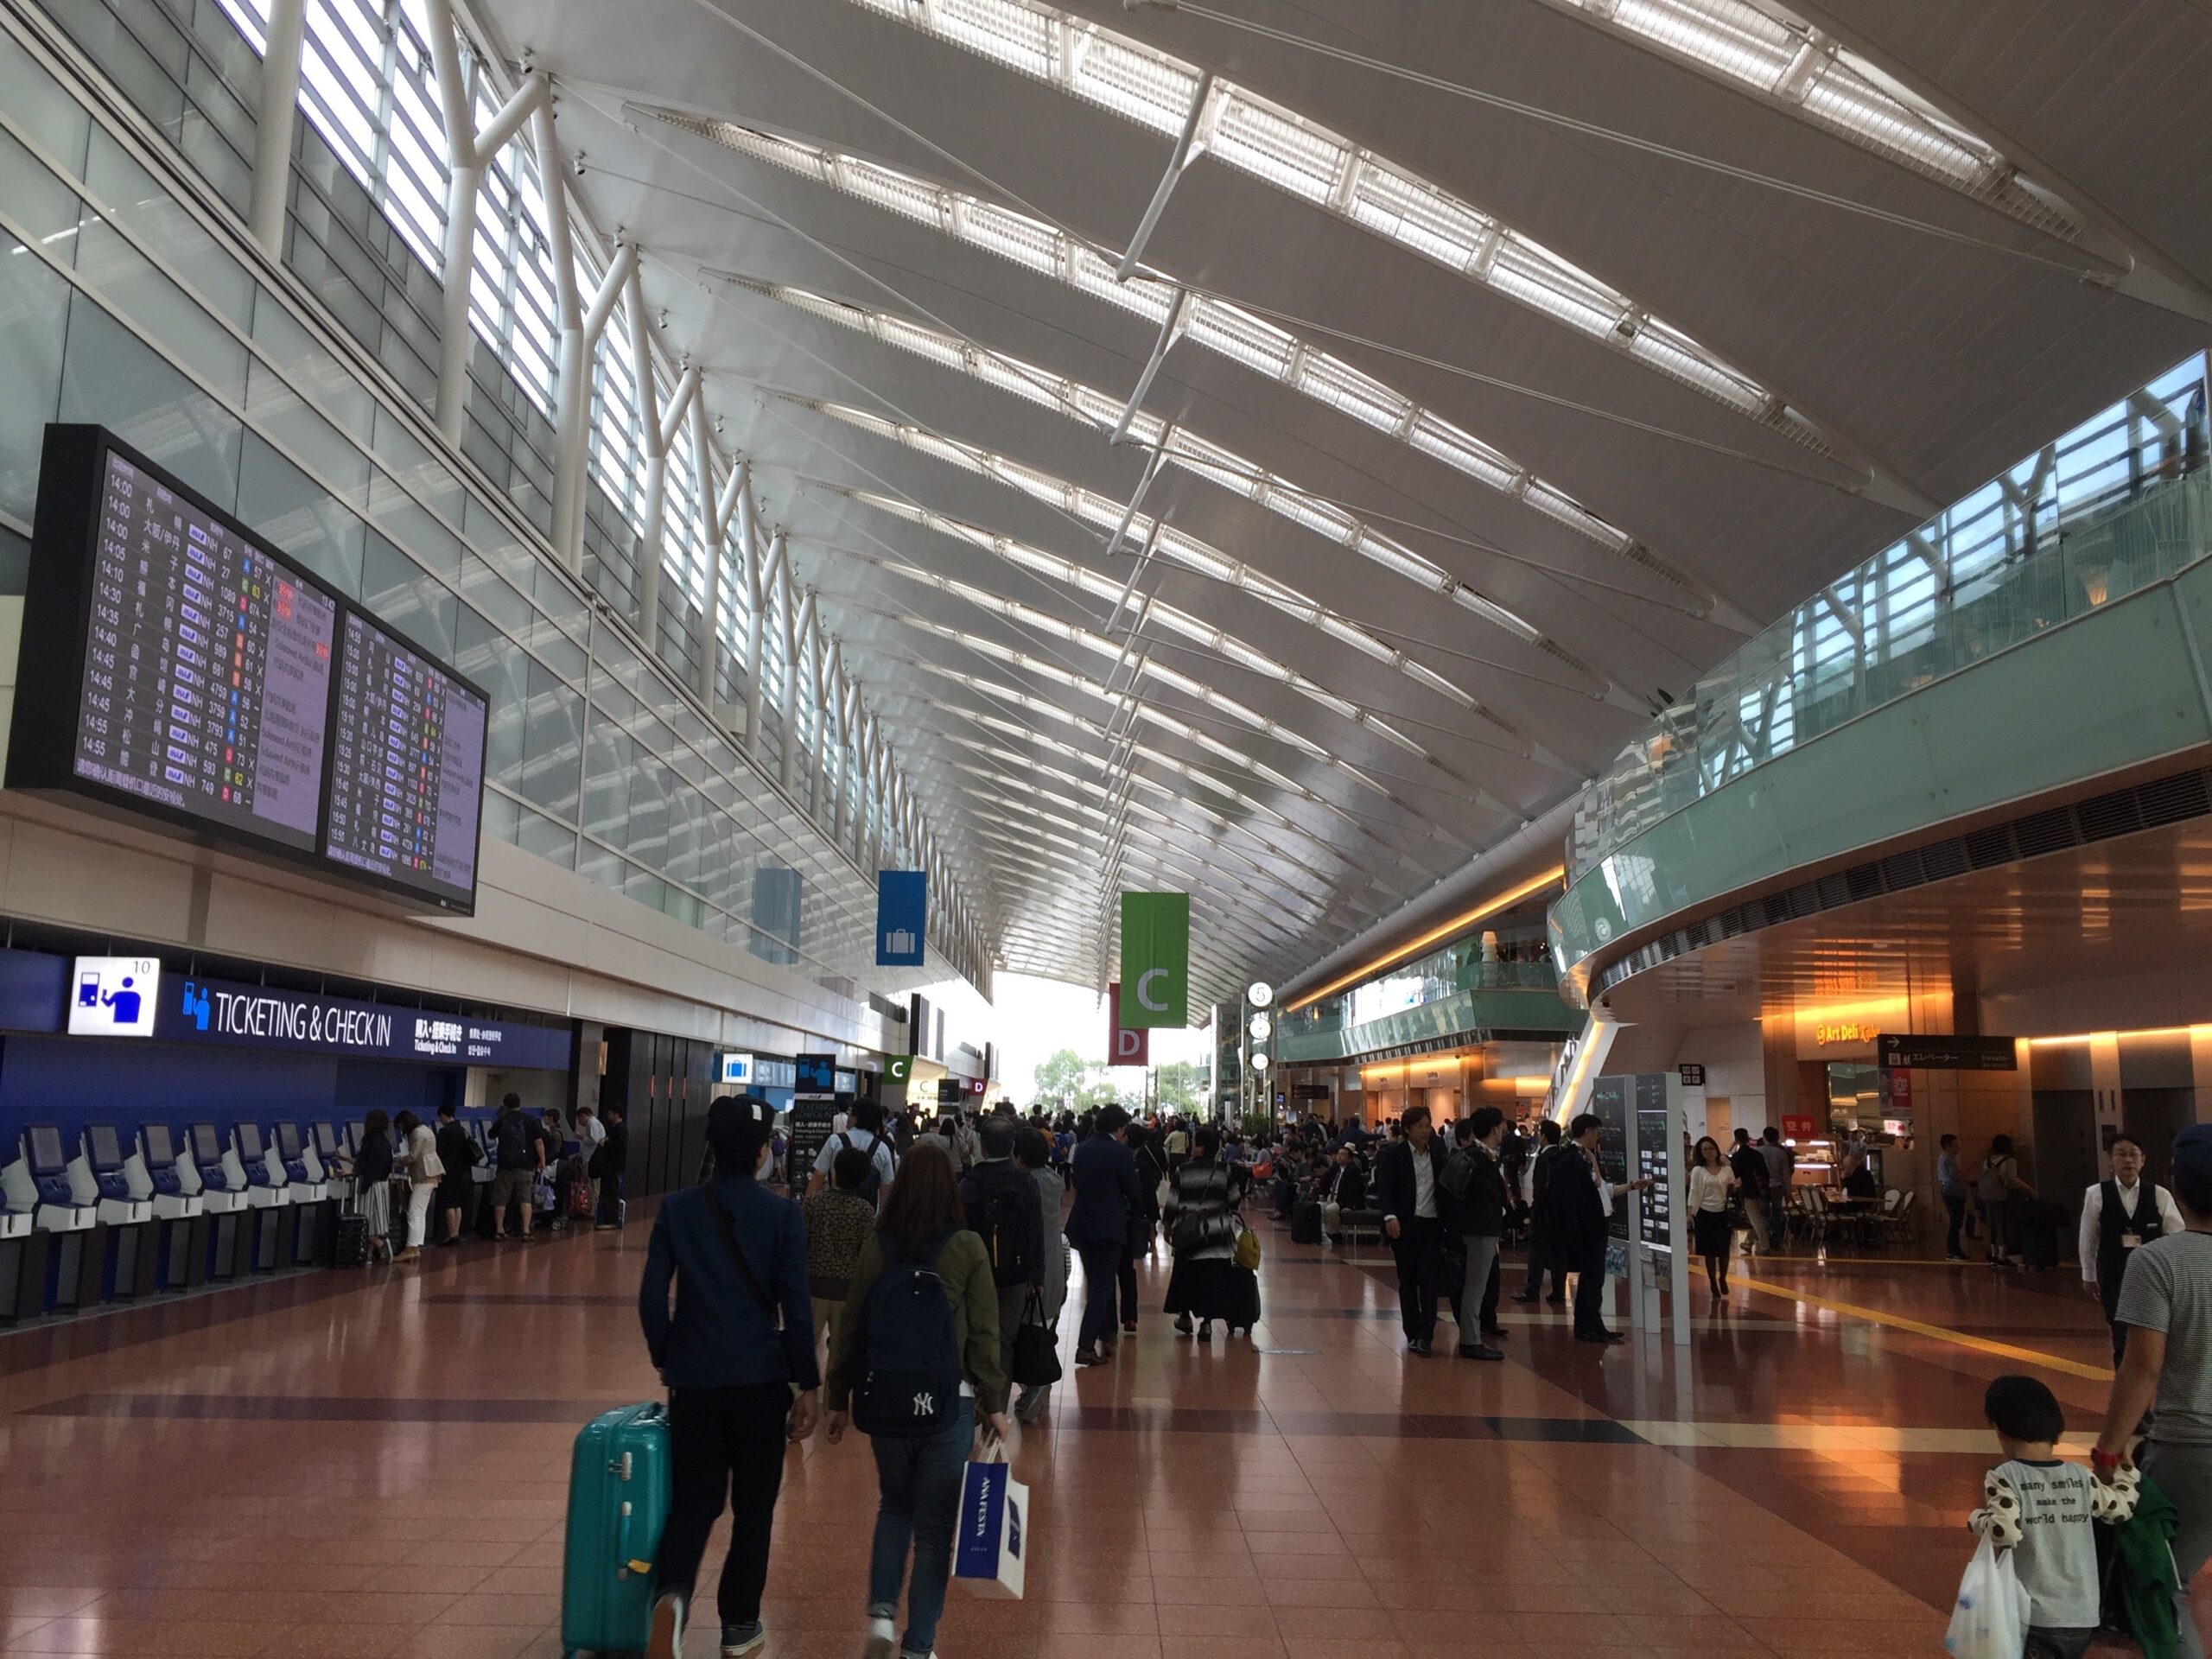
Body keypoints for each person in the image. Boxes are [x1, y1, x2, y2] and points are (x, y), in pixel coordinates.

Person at [639, 1094, 819, 1659]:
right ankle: (739, 1626)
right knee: (754, 1506)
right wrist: (806, 1382)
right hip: (760, 1382)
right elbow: (796, 1305)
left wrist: (670, 1353)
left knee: (695, 1501)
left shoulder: (677, 1209)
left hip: (694, 1379)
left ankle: (670, 1596)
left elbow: (650, 1299)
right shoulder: (783, 1214)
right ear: (765, 1152)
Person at [825, 1144, 1010, 1659]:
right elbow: (985, 1335)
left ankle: (882, 1615)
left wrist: (837, 1396)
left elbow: (851, 1326)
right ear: (952, 1187)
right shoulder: (969, 1246)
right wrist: (995, 1401)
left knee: (894, 1507)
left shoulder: (877, 1245)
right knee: (934, 1533)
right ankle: (917, 1648)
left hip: (885, 1403)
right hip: (948, 1406)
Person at [2092, 1123, 2212, 1659]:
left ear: (2174, 1187)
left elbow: (2141, 1369)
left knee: (2167, 1586)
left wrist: (2109, 1450)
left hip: (2191, 1448)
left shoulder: (2157, 1261)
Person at [1975, 1375, 2135, 1659]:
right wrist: (2127, 1474)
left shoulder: (2005, 1477)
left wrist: (1977, 1520)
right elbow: (2120, 1508)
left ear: (1998, 1429)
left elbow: (2005, 1532)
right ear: (2056, 1430)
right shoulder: (2079, 1476)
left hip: (2034, 1615)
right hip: (2081, 1617)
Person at [1543, 1113, 1651, 1344]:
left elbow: (1603, 1191)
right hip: (1588, 1228)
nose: (1598, 1137)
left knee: (1595, 1278)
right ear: (1588, 1132)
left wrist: (1632, 1186)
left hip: (1595, 1226)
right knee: (1592, 1277)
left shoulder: (1584, 1157)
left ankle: (1594, 1324)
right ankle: (1586, 1326)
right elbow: (1574, 1198)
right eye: (1597, 1132)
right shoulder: (1571, 1160)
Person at [2078, 1133, 2183, 1364]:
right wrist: (2089, 1274)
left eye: (2133, 1155)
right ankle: (2128, 1385)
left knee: (2153, 1333)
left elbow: (2177, 1234)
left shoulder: (2159, 1194)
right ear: (2110, 1160)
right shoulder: (2096, 1194)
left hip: (2152, 1279)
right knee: (2120, 1334)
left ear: (2143, 1160)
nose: (2128, 1161)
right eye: (2121, 1155)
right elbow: (2088, 1237)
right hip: (2114, 1276)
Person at [959, 1115, 1046, 1389]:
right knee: (1006, 1341)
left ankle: (975, 1400)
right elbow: (1036, 1231)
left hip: (977, 1276)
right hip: (1017, 1275)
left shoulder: (970, 1183)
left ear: (982, 1148)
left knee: (977, 1337)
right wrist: (1038, 1276)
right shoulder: (1026, 1182)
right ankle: (997, 1405)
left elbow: (962, 1234)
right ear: (1012, 1147)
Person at [1065, 1104, 1142, 1367]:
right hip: (1109, 1226)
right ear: (1119, 1128)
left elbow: (1077, 1183)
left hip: (1082, 1225)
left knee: (1095, 1281)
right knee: (1103, 1286)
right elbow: (1132, 1189)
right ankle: (1085, 1345)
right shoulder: (1120, 1152)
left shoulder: (1083, 1149)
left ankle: (1106, 1332)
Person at [1165, 1126, 1255, 1341]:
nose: (1192, 1146)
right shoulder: (1226, 1171)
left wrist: (1167, 1227)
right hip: (1216, 1234)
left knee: (1185, 1277)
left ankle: (1185, 1317)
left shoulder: (1183, 1170)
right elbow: (1234, 1200)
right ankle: (1206, 1324)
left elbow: (1172, 1202)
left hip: (1188, 1236)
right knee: (1212, 1280)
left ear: (1201, 1147)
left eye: (1195, 1143)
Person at [1375, 1103, 1451, 1356]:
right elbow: (1385, 1189)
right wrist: (1390, 1216)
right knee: (1408, 1280)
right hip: (1404, 1226)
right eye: (1419, 1126)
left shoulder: (1438, 1153)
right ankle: (1412, 1331)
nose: (1424, 1130)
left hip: (1431, 1225)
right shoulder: (1393, 1155)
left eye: (1427, 1125)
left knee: (1430, 1281)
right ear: (1407, 1129)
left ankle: (1426, 1336)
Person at [1440, 1108, 1509, 1361]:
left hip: (1470, 1229)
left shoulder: (1470, 1155)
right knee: (1475, 1287)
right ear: (1493, 1129)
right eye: (1502, 1127)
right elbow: (1485, 1197)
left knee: (1474, 1286)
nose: (1504, 1131)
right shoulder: (1482, 1160)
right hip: (1480, 1231)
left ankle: (1472, 1337)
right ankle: (1471, 1340)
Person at [1012, 1124, 1065, 1422]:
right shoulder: (1055, 1181)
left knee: (1023, 1328)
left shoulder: (1020, 1184)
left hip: (1031, 1265)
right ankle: (1033, 1385)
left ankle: (1033, 1384)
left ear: (1018, 1155)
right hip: (1054, 1262)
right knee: (1041, 1327)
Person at [804, 1147, 880, 1351]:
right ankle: (832, 1384)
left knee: (803, 1351)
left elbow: (802, 1242)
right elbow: (866, 1254)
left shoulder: (814, 1203)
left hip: (813, 1286)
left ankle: (805, 1384)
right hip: (846, 1292)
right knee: (840, 1353)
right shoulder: (865, 1211)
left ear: (833, 1172)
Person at [1514, 1118, 1568, 1306]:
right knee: (1558, 1253)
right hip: (1560, 1215)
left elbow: (1539, 1189)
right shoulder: (1562, 1157)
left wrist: (1535, 1211)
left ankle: (1532, 1289)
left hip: (1543, 1214)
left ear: (1543, 1137)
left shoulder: (1543, 1159)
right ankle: (1558, 1291)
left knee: (1536, 1253)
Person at [1687, 1135, 1738, 1307]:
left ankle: (1722, 1277)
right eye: (1705, 1149)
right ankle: (1713, 1283)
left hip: (1724, 1213)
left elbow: (1733, 1185)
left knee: (1724, 1249)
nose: (1709, 1152)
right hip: (1704, 1213)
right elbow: (1694, 1192)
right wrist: (1690, 1214)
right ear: (1700, 1153)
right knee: (1709, 1251)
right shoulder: (1698, 1171)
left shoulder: (1726, 1169)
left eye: (1711, 1148)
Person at [809, 1102, 898, 1202]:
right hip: (868, 1213)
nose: (848, 1117)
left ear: (855, 1118)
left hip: (834, 1211)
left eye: (850, 1114)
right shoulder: (882, 1148)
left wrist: (806, 1207)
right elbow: (886, 1186)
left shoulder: (835, 1141)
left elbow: (818, 1176)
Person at [488, 1092, 541, 1241]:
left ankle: (499, 1230)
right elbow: (539, 1142)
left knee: (501, 1199)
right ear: (519, 1104)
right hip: (525, 1166)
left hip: (505, 1167)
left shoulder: (503, 1120)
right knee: (525, 1199)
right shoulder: (529, 1119)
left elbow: (491, 1134)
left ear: (505, 1105)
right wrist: (542, 1161)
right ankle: (525, 1231)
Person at [391, 1109, 442, 1265]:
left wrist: (397, 1160)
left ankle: (410, 1248)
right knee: (420, 1212)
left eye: (400, 1127)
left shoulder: (417, 1134)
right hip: (431, 1175)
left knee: (413, 1211)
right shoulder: (426, 1129)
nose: (401, 1131)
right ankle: (415, 1246)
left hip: (423, 1176)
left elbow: (413, 1156)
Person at [1978, 1134, 2033, 1268]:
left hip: (1988, 1196)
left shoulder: (1987, 1161)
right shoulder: (2010, 1160)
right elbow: (2012, 1179)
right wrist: (2029, 1189)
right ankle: (2002, 1257)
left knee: (1992, 1224)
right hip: (2004, 1196)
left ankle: (1994, 1254)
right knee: (2004, 1224)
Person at [354, 1109, 396, 1266]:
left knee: (363, 1221)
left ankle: (380, 1245)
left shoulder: (369, 1140)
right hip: (382, 1186)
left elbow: (366, 1164)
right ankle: (369, 1255)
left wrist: (360, 1182)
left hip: (370, 1185)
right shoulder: (386, 1142)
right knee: (374, 1223)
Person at [433, 1103, 474, 1246]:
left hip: (448, 1171)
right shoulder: (462, 1129)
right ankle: (456, 1233)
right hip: (462, 1171)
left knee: (449, 1203)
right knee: (457, 1204)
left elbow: (439, 1153)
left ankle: (451, 1234)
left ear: (443, 1116)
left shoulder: (444, 1132)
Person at [1728, 1128, 1770, 1255]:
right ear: (1748, 1138)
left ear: (1736, 1141)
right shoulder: (1757, 1154)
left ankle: (1764, 1245)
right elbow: (1766, 1173)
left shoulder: (1737, 1156)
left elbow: (1734, 1175)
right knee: (1756, 1216)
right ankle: (1748, 1242)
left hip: (1746, 1191)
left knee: (1754, 1218)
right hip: (1761, 1190)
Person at [1318, 1144, 1366, 1243]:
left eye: (1343, 1154)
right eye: (1338, 1154)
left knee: (1330, 1209)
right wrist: (1322, 1194)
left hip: (1343, 1200)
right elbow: (1324, 1180)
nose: (1339, 1156)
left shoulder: (1353, 1171)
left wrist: (1350, 1206)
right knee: (1319, 1206)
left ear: (1349, 1159)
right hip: (1331, 1196)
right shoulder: (1335, 1168)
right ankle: (1322, 1232)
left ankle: (1335, 1234)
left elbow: (1355, 1191)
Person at [1758, 1126, 1796, 1251]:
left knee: (1763, 1212)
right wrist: (1788, 1192)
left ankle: (1768, 1232)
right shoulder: (1781, 1153)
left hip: (1762, 1188)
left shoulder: (1758, 1151)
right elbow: (1786, 1174)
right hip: (1777, 1187)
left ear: (1764, 1137)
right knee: (1777, 1213)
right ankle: (1776, 1238)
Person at [591, 1103, 627, 1230]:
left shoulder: (621, 1128)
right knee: (607, 1192)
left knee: (612, 1193)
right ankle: (605, 1218)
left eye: (610, 1113)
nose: (608, 1115)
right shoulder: (614, 1128)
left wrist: (607, 1142)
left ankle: (612, 1220)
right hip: (609, 1166)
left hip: (614, 1166)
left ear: (616, 1114)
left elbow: (622, 1145)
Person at [1937, 1132, 1970, 1262]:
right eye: (1955, 1145)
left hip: (1949, 1190)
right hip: (1953, 1192)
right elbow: (1957, 1176)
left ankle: (1953, 1250)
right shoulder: (1948, 1159)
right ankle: (1953, 1251)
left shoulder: (1944, 1158)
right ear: (1948, 1146)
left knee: (1955, 1222)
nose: (1958, 1148)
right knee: (1956, 1223)